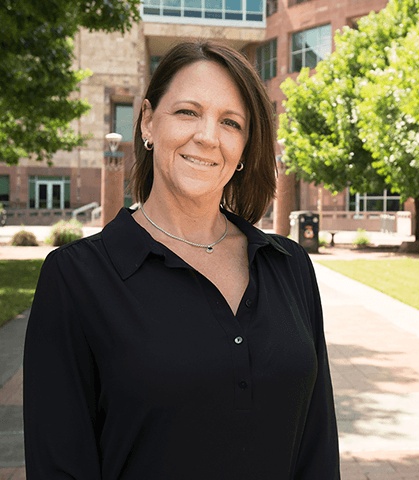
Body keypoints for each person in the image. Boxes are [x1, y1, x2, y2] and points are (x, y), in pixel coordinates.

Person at [23, 40, 340, 479]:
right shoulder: (75, 279)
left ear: (246, 148)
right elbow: (60, 466)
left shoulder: (290, 267)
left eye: (230, 122)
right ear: (149, 123)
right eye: (188, 112)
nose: (207, 136)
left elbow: (317, 449)